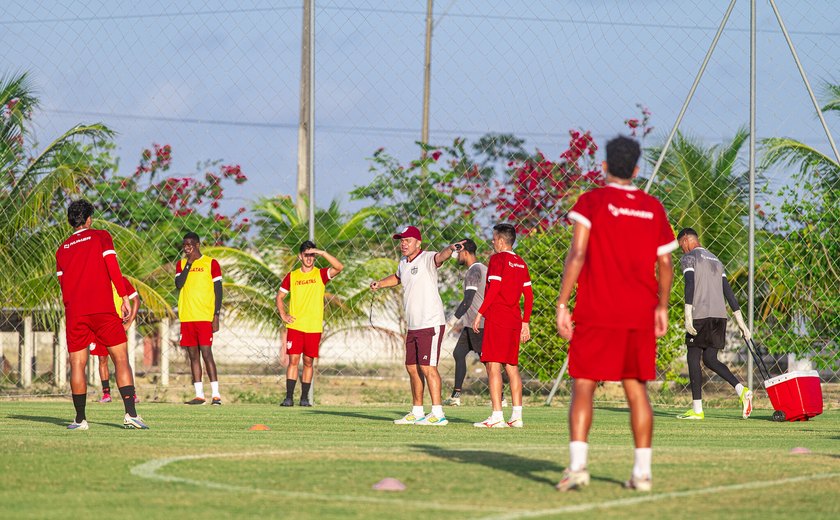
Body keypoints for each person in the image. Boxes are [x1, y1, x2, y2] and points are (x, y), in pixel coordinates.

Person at [555, 136, 676, 492]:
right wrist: (662, 306)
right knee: (636, 388)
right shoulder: (652, 207)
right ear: (637, 169)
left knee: (584, 384)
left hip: (596, 309)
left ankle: (578, 468)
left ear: (604, 166)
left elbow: (577, 254)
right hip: (639, 313)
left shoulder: (591, 201)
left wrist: (563, 303)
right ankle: (642, 474)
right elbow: (666, 263)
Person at [56, 199, 149, 430]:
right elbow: (112, 267)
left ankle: (80, 420)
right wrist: (124, 297)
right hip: (103, 310)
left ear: (70, 221)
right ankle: (131, 415)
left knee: (77, 364)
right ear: (89, 219)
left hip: (76, 313)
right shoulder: (100, 236)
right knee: (120, 359)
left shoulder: (62, 248)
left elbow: (62, 282)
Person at [370, 226, 460, 426]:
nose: (403, 243)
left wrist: (451, 247)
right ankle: (417, 411)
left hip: (430, 323)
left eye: (407, 240)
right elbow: (398, 277)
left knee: (428, 367)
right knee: (412, 367)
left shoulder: (427, 258)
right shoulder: (403, 262)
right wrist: (380, 284)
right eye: (401, 240)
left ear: (418, 243)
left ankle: (438, 413)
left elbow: (441, 256)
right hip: (413, 325)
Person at [676, 228, 753, 420]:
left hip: (700, 316)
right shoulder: (716, 260)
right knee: (710, 359)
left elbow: (690, 283)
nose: (682, 250)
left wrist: (687, 314)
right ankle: (741, 390)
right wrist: (741, 323)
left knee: (693, 357)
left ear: (686, 240)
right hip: (719, 318)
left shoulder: (689, 258)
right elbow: (728, 292)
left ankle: (697, 410)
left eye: (681, 246)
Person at [471, 224, 533, 428]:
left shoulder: (498, 259)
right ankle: (517, 417)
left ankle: (497, 416)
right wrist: (526, 322)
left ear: (501, 241)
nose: (492, 242)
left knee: (493, 366)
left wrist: (480, 313)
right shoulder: (521, 263)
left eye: (494, 238)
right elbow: (529, 296)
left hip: (498, 318)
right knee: (512, 367)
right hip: (515, 319)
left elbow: (495, 288)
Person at [276, 241, 344, 407]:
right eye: (306, 255)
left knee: (308, 361)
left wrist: (322, 252)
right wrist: (283, 314)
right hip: (296, 326)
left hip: (313, 327)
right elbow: (279, 297)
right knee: (293, 360)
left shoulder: (320, 275)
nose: (309, 258)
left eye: (312, 255)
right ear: (300, 256)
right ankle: (289, 397)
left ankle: (305, 398)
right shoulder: (292, 276)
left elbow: (339, 267)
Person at [174, 232, 223, 405]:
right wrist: (189, 264)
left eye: (190, 244)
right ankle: (199, 395)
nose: (187, 248)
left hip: (204, 316)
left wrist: (216, 315)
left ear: (197, 244)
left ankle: (216, 395)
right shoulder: (181, 264)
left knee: (206, 353)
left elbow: (218, 291)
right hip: (187, 316)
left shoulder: (211, 263)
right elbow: (179, 284)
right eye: (185, 245)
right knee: (193, 355)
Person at [443, 238, 487, 406]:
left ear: (466, 253)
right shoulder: (481, 268)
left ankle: (502, 398)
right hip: (470, 323)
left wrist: (451, 322)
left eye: (458, 252)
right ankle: (455, 396)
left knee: (488, 362)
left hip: (479, 324)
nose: (456, 256)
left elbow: (467, 300)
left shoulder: (474, 271)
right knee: (459, 353)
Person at [95, 275, 140, 403]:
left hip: (115, 324)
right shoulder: (96, 280)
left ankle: (132, 394)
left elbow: (136, 300)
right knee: (102, 359)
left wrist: (129, 322)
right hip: (99, 325)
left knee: (121, 360)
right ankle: (106, 394)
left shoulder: (121, 280)